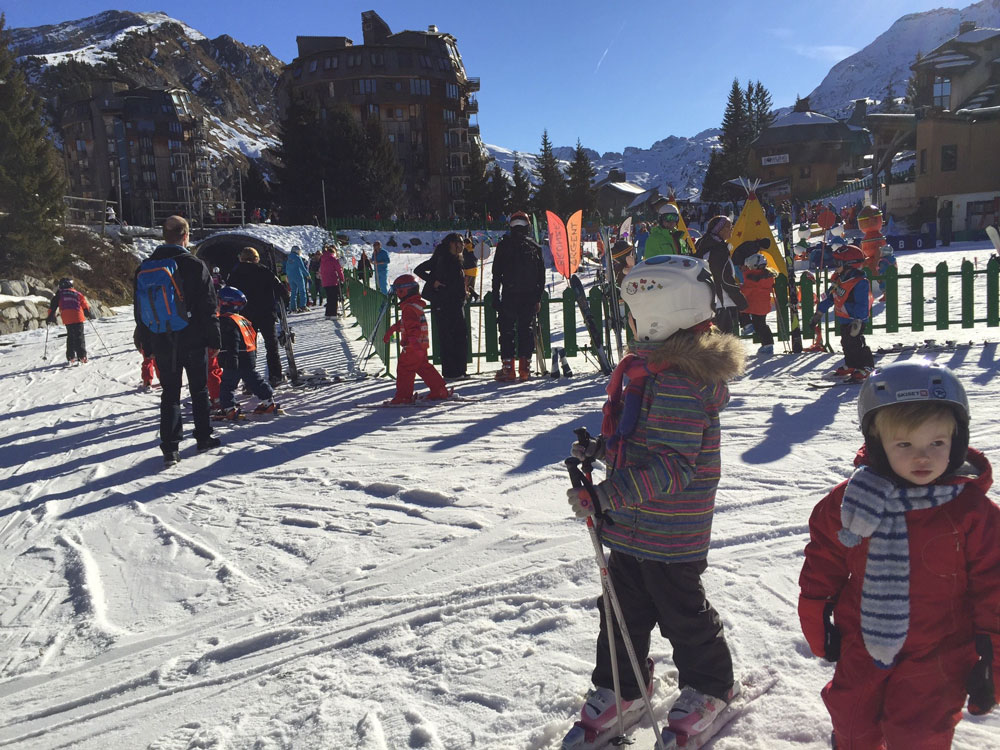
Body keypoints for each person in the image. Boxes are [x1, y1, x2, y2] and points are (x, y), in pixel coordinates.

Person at [565, 255, 745, 742]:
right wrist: (602, 452)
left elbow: (672, 465)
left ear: (656, 316)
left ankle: (711, 685)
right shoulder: (655, 372)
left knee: (682, 613)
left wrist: (606, 496)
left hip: (670, 533)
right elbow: (644, 444)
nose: (628, 323)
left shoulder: (681, 383)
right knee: (620, 611)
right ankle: (622, 685)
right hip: (633, 528)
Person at [798, 360, 1000, 750]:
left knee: (918, 735)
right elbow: (823, 559)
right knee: (853, 722)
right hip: (863, 642)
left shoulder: (972, 512)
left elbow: (995, 587)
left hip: (939, 654)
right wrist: (816, 609)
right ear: (877, 444)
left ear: (956, 441)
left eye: (936, 444)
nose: (922, 457)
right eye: (904, 445)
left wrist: (993, 657)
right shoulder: (851, 502)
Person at [133, 215, 221, 466]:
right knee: (199, 389)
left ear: (164, 236)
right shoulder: (194, 264)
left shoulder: (145, 267)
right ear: (185, 235)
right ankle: (203, 437)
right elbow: (208, 305)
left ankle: (170, 449)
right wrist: (214, 339)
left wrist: (145, 344)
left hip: (161, 339)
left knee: (170, 394)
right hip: (192, 337)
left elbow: (139, 310)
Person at [491, 211, 545, 381]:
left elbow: (496, 274)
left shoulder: (503, 245)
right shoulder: (534, 246)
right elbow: (541, 277)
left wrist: (495, 296)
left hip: (509, 294)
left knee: (506, 331)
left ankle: (508, 369)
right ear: (528, 226)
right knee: (525, 331)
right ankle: (524, 369)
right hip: (528, 296)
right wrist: (537, 298)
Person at [381, 274, 450, 405]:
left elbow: (413, 328)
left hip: (413, 346)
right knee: (423, 368)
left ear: (403, 291)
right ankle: (439, 390)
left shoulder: (408, 308)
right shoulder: (414, 306)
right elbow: (405, 323)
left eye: (397, 291)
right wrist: (392, 329)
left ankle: (403, 396)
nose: (396, 294)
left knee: (404, 369)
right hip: (421, 346)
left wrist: (412, 343)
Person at [226, 246, 289, 387]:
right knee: (271, 345)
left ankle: (250, 380)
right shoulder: (264, 271)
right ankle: (275, 375)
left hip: (245, 315)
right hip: (266, 312)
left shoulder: (235, 273)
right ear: (256, 258)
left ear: (241, 258)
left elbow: (228, 293)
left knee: (248, 347)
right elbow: (281, 290)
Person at [810, 244, 874, 382]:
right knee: (846, 342)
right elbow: (830, 297)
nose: (835, 266)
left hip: (856, 320)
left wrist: (859, 320)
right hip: (844, 319)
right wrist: (819, 312)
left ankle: (866, 366)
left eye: (838, 263)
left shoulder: (859, 282)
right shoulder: (839, 280)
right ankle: (851, 364)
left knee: (856, 343)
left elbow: (863, 303)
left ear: (851, 265)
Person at [214, 286, 278, 419]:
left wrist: (231, 358)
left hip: (234, 357)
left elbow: (233, 340)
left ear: (226, 303)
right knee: (254, 380)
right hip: (248, 355)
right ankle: (268, 400)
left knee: (227, 385)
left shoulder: (226, 320)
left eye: (219, 301)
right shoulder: (241, 319)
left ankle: (229, 408)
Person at [415, 233, 468, 379]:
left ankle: (461, 370)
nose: (461, 246)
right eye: (459, 242)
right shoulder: (441, 257)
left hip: (457, 303)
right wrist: (433, 282)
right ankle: (450, 372)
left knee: (460, 336)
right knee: (447, 337)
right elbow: (419, 269)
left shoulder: (458, 259)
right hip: (443, 303)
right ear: (451, 243)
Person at [694, 216, 748, 334]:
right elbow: (725, 278)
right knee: (722, 341)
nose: (732, 229)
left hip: (706, 300)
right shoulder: (718, 250)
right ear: (720, 230)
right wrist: (740, 301)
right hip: (720, 303)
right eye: (729, 227)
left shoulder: (704, 245)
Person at [47, 278, 95, 364]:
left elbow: (53, 306)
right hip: (78, 317)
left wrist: (50, 317)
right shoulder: (77, 293)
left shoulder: (59, 294)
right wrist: (87, 313)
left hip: (67, 318)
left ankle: (71, 357)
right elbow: (84, 304)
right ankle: (82, 356)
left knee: (71, 336)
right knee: (79, 336)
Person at [739, 253, 776, 356]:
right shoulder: (767, 277)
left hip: (753, 305)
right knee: (761, 325)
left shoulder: (752, 278)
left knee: (741, 309)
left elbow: (746, 291)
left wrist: (739, 288)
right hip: (763, 305)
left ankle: (747, 325)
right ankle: (768, 344)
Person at [319, 244, 345, 318]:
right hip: (332, 280)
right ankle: (333, 314)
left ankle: (328, 313)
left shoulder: (323, 260)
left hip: (325, 281)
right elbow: (339, 270)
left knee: (329, 298)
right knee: (334, 298)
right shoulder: (333, 259)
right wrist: (342, 279)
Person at [284, 245, 311, 313]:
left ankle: (293, 307)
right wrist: (308, 275)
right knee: (302, 291)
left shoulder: (289, 258)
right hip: (298, 276)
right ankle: (303, 306)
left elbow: (287, 268)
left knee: (293, 292)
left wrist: (288, 276)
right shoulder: (297, 257)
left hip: (291, 277)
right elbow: (302, 267)